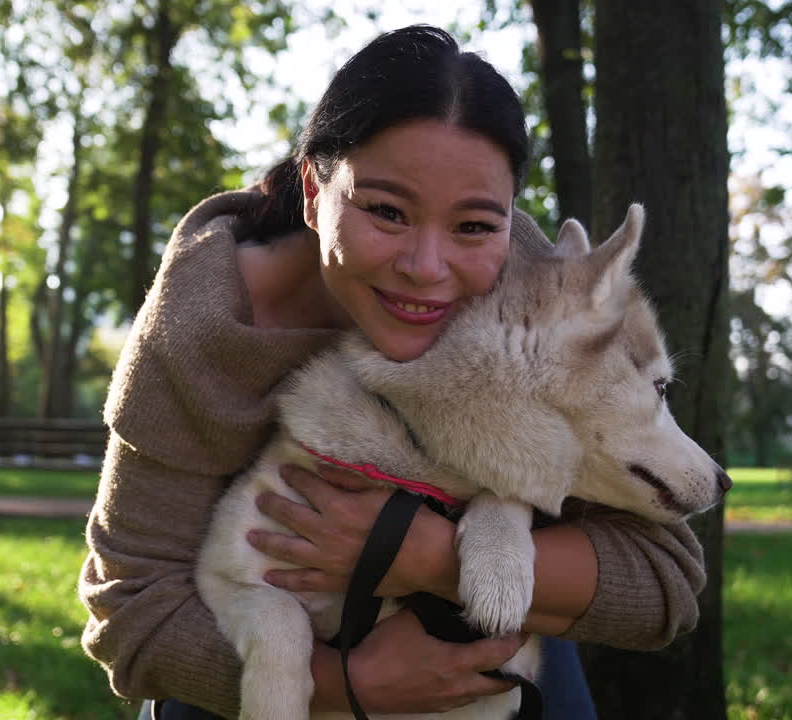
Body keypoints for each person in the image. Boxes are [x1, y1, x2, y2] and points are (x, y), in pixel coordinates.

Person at [79, 24, 706, 720]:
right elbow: (128, 612)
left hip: (473, 619)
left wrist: (426, 554)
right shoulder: (196, 328)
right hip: (254, 645)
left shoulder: (524, 287)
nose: (426, 268)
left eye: (472, 225)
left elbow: (663, 580)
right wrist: (346, 684)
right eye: (385, 211)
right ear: (316, 195)